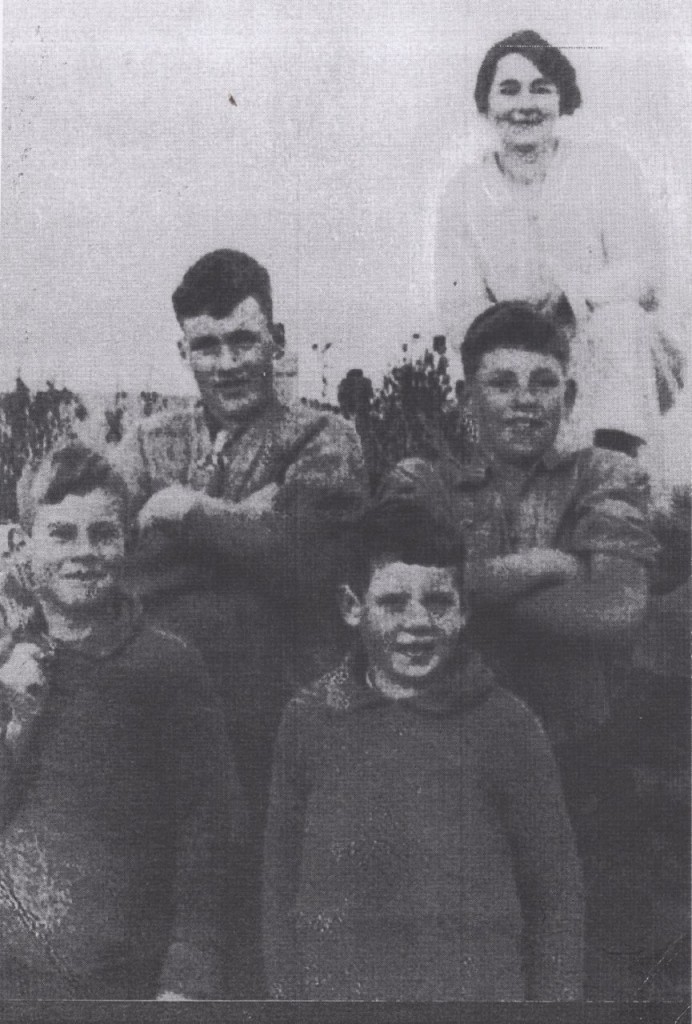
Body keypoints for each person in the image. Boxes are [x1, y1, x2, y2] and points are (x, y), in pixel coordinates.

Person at [381, 302, 661, 997]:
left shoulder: (606, 476)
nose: (525, 402)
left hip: (578, 765)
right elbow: (393, 607)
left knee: (580, 968)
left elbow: (614, 609)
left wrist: (460, 597)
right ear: (465, 394)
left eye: (543, 383)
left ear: (567, 394)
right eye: (502, 382)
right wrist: (542, 563)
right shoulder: (421, 482)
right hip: (444, 759)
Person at [112, 248, 367, 993]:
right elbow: (112, 563)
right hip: (160, 728)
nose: (226, 364)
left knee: (270, 944)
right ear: (182, 349)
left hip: (275, 730)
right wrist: (242, 528)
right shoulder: (148, 439)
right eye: (207, 346)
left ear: (277, 340)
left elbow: (307, 563)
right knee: (167, 940)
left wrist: (187, 513)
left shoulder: (324, 438)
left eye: (244, 342)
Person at [262, 495, 583, 1001]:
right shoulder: (308, 719)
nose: (418, 622)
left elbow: (555, 898)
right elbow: (280, 888)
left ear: (465, 609)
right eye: (392, 603)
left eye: (438, 602)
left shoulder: (508, 726)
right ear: (352, 606)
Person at [0, 444, 242, 999]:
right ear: (21, 542)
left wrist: (187, 977)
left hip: (125, 979)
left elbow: (209, 832)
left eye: (102, 534)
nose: (84, 553)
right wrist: (15, 723)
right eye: (61, 534)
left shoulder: (166, 665)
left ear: (127, 541)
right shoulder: (7, 662)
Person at [435, 29, 684, 459]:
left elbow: (646, 274)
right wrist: (517, 324)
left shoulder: (604, 167)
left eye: (541, 89)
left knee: (618, 321)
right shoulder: (464, 193)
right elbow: (460, 311)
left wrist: (573, 297)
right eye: (508, 91)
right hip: (518, 356)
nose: (525, 105)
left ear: (561, 99)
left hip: (616, 357)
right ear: (486, 105)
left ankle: (615, 473)